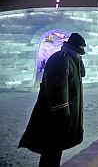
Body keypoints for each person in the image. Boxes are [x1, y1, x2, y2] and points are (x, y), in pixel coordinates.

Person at [19, 33, 87, 167]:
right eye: (81, 48)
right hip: (55, 117)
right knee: (51, 148)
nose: (82, 51)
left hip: (63, 116)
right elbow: (57, 90)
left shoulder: (71, 58)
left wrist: (79, 59)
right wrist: (63, 114)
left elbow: (82, 74)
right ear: (75, 47)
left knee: (56, 148)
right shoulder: (61, 59)